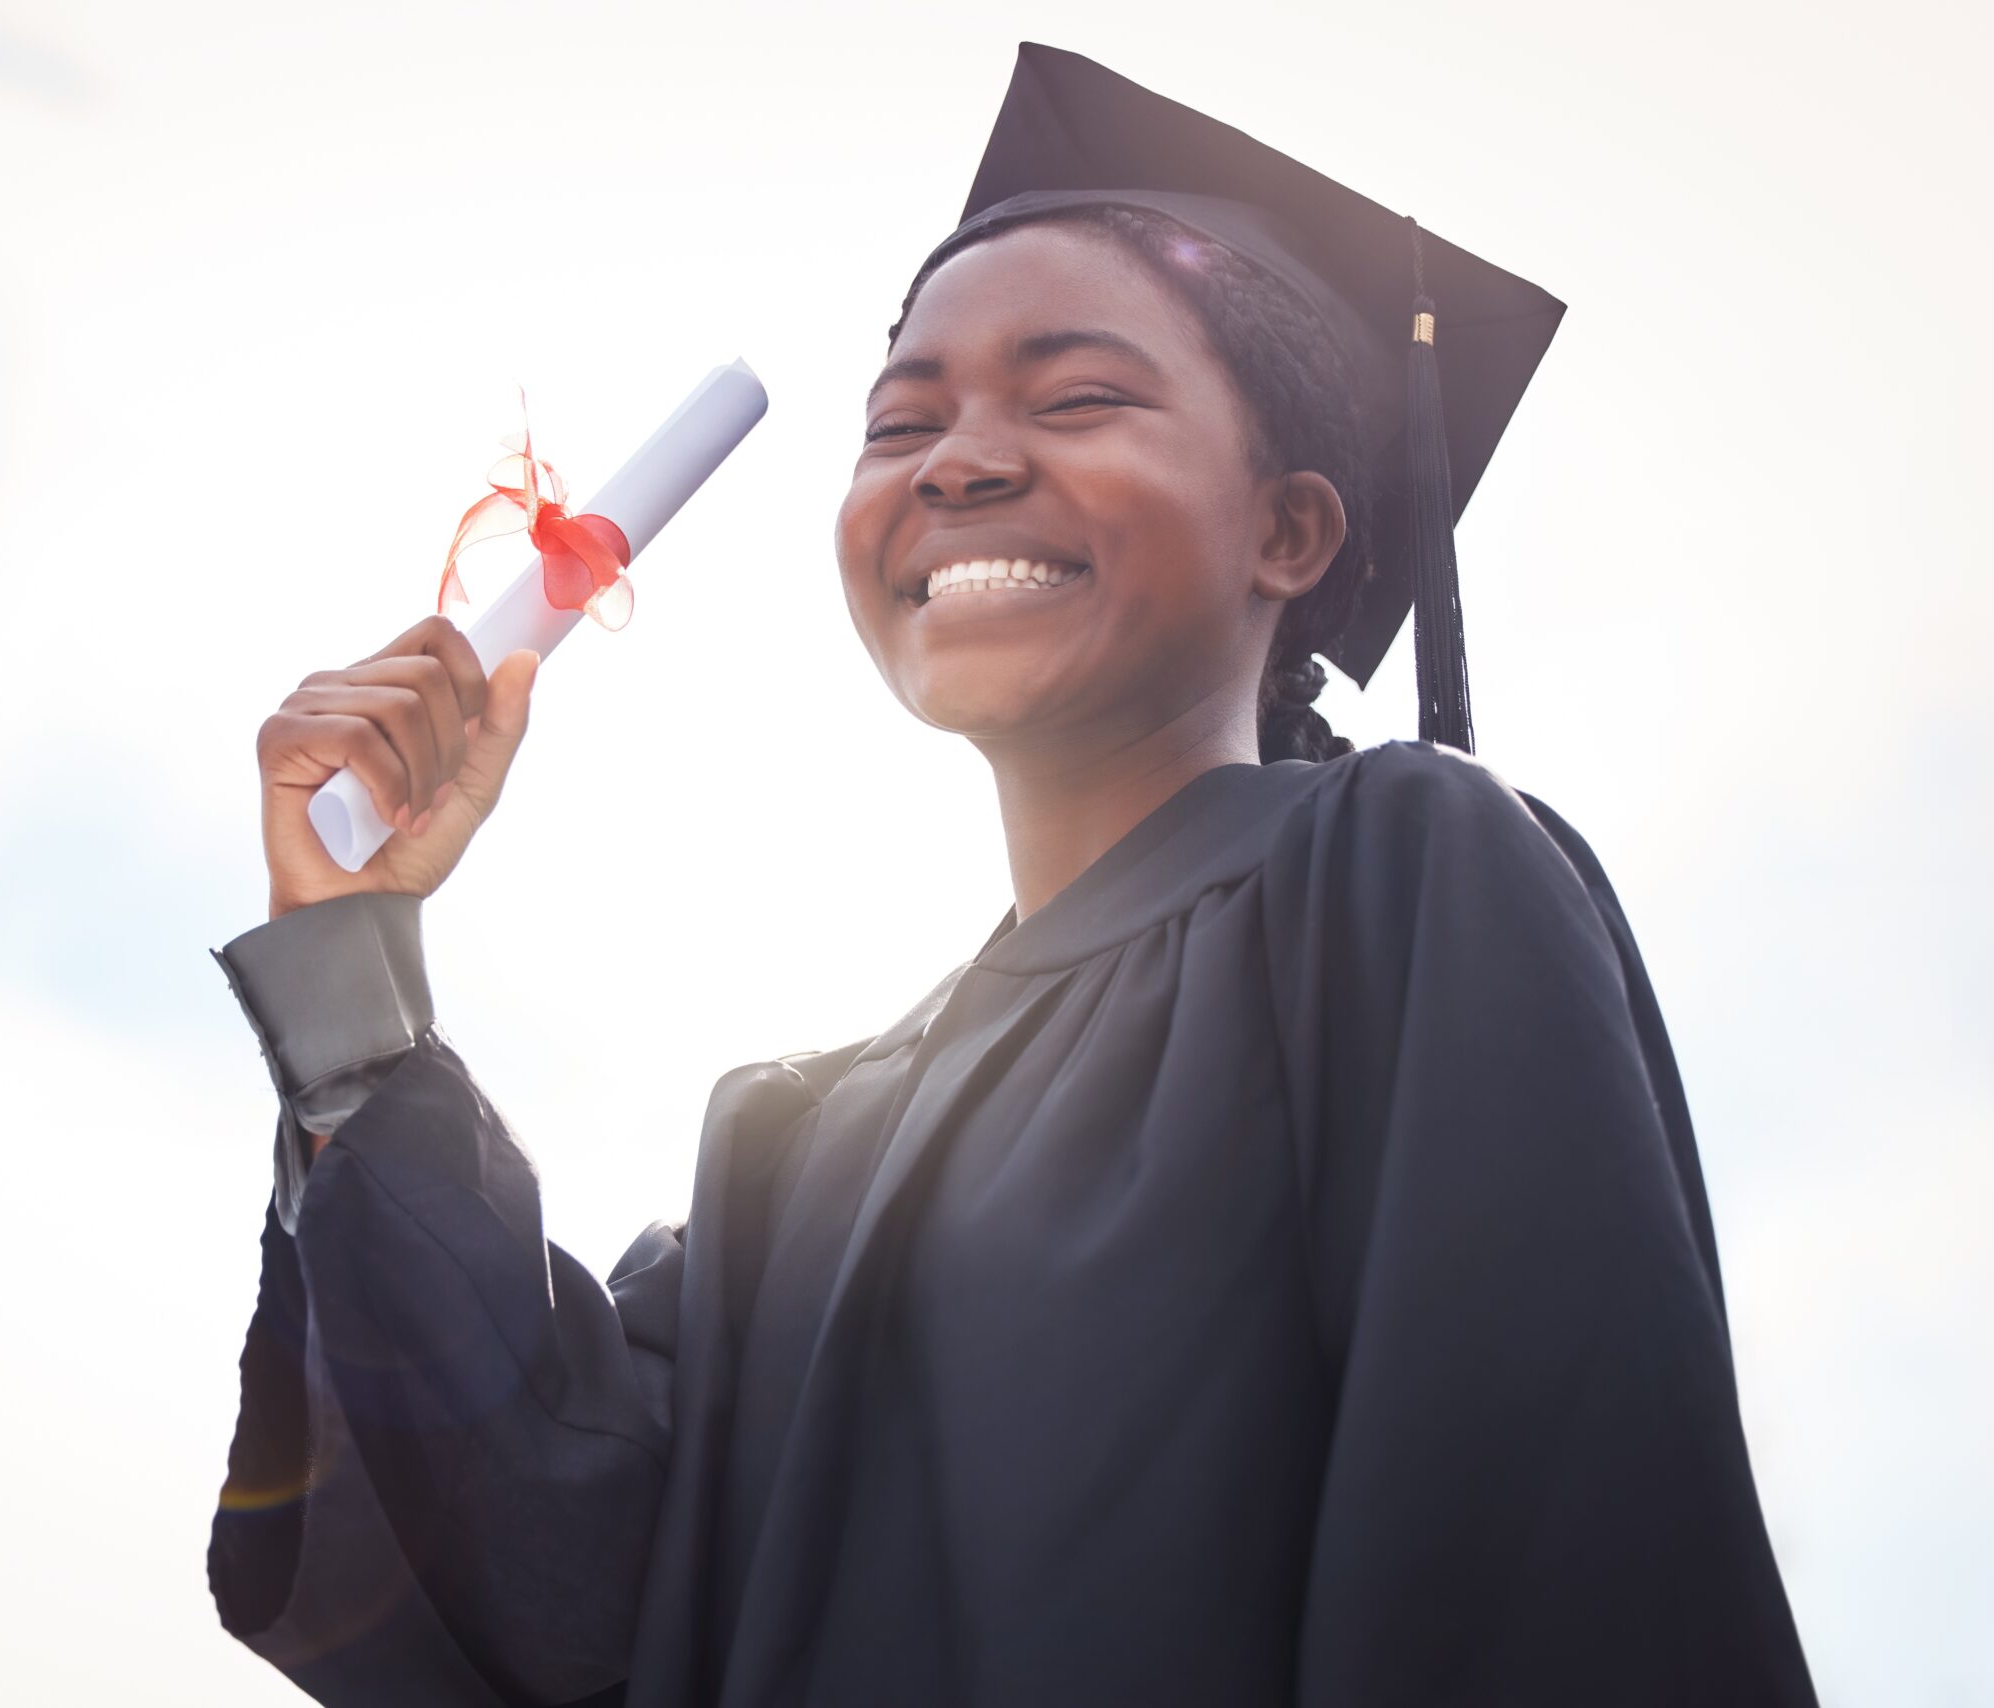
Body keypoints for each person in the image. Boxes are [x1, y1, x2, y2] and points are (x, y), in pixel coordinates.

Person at [202, 43, 1818, 1708]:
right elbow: (545, 1587)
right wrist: (354, 984)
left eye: (1077, 398)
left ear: (1293, 536)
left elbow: (1554, 1550)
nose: (956, 461)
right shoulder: (788, 1144)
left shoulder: (1400, 878)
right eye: (903, 420)